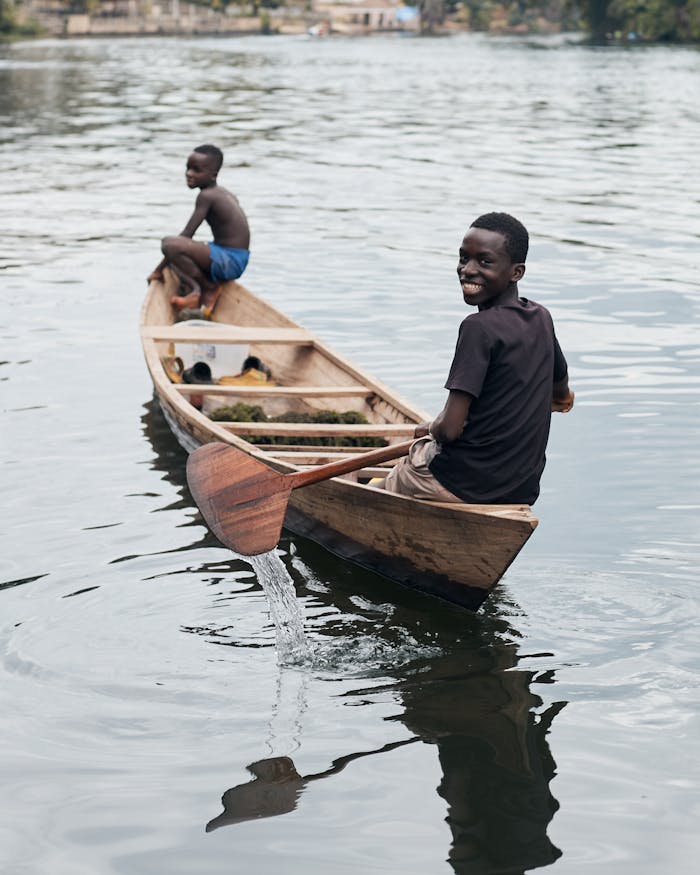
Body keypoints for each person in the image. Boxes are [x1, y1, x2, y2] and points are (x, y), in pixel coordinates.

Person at [382, 212, 574, 505]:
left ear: (516, 272)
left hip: (460, 483)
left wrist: (432, 428)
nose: (467, 270)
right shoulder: (541, 318)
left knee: (394, 476)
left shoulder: (477, 328)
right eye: (463, 259)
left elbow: (449, 430)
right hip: (518, 490)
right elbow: (562, 396)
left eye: (484, 262)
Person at [147, 144, 250, 317]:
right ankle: (195, 293)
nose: (189, 173)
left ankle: (208, 288)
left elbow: (186, 235)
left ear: (213, 175)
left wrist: (157, 270)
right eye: (188, 168)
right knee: (174, 257)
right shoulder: (221, 192)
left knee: (169, 245)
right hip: (233, 257)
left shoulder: (207, 196)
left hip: (231, 260)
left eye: (196, 170)